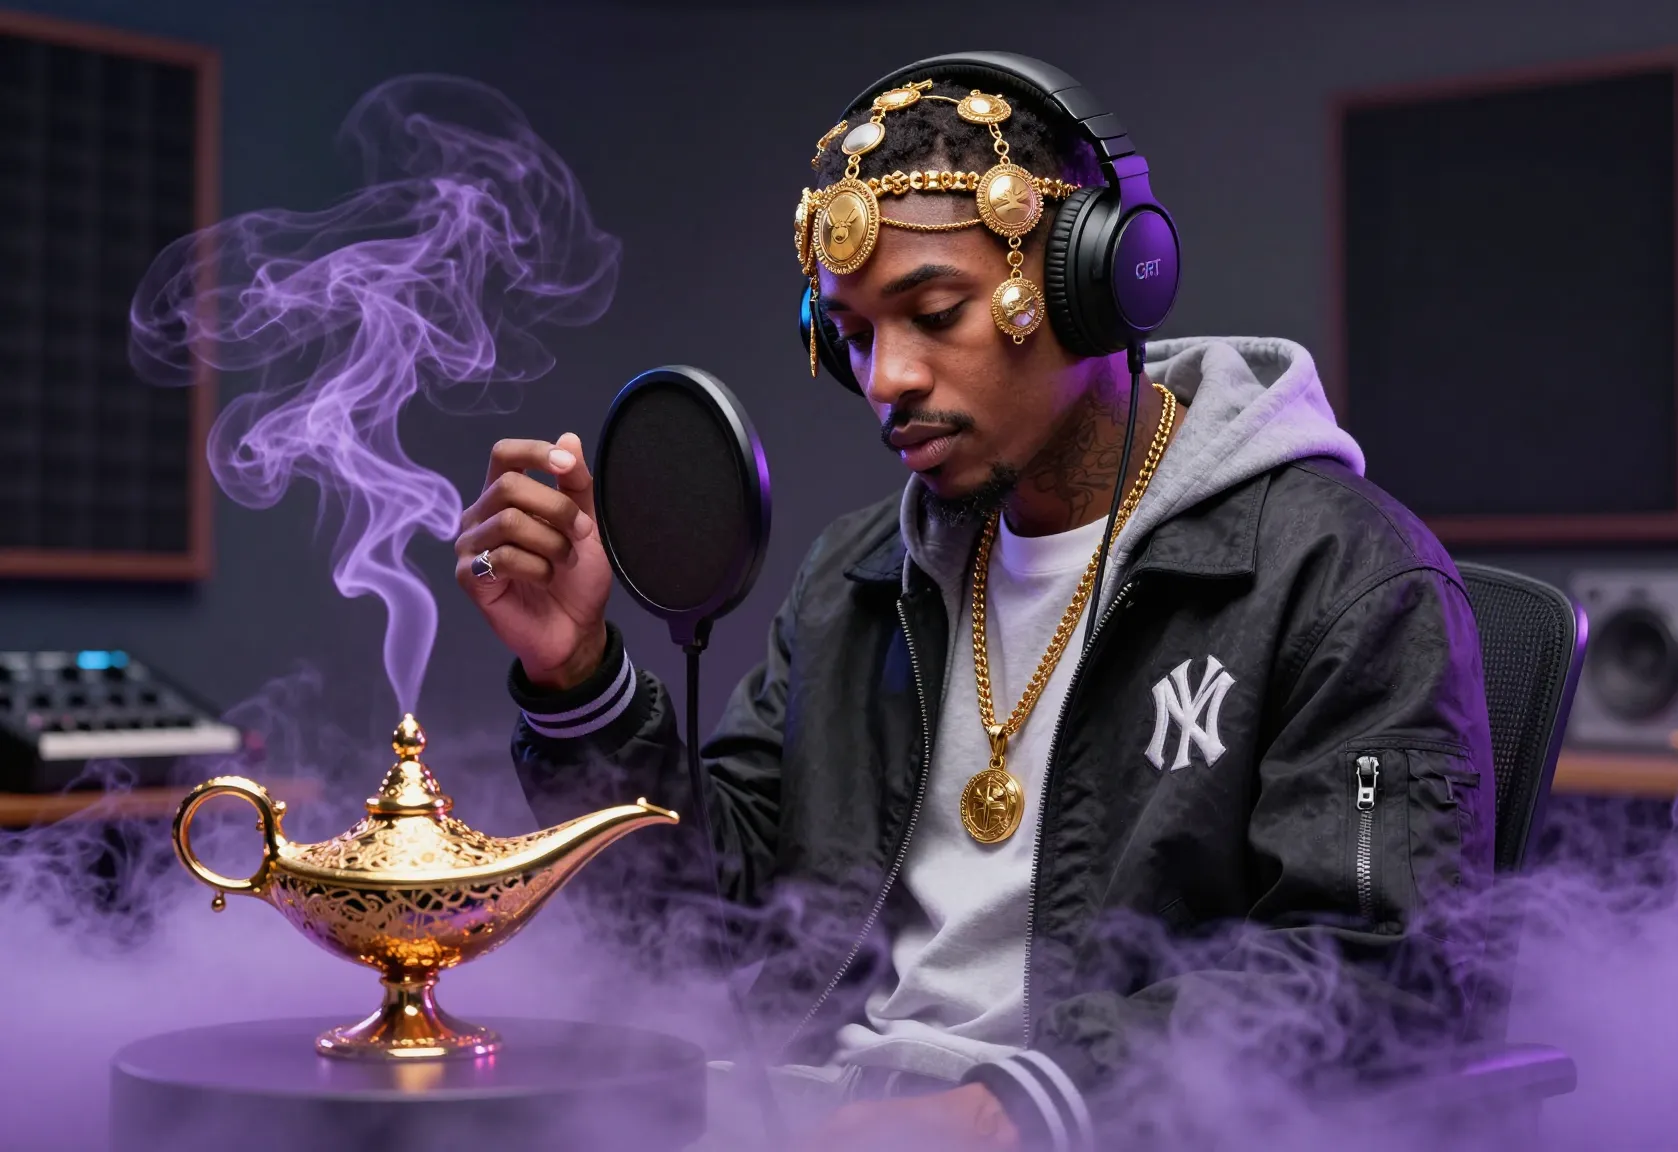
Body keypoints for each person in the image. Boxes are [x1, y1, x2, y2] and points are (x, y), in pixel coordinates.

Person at [454, 54, 1496, 1151]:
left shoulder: (1338, 576)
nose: (885, 380)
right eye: (854, 335)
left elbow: (1375, 972)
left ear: (1096, 285)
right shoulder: (856, 578)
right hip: (809, 1113)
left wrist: (1023, 1109)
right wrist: (577, 677)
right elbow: (701, 934)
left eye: (935, 312)